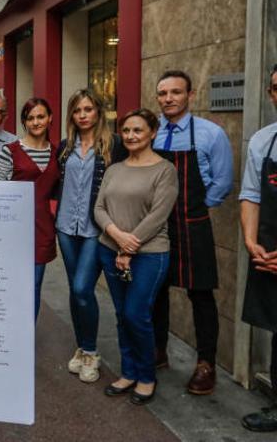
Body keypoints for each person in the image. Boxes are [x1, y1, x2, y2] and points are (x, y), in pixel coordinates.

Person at [151, 70, 233, 395]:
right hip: (157, 224)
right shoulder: (152, 134)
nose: (168, 98)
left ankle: (206, 363)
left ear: (190, 95)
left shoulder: (211, 134)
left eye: (175, 92)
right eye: (163, 93)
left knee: (201, 295)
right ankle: (158, 350)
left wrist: (195, 209)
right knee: (156, 291)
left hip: (193, 225)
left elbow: (223, 182)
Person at [95, 108, 178, 406]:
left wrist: (129, 247)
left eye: (138, 130)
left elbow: (159, 215)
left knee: (136, 314)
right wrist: (117, 237)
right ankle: (128, 371)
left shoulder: (165, 170)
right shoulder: (115, 168)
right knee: (121, 315)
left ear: (153, 133)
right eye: (126, 130)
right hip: (110, 249)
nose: (130, 136)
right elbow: (99, 208)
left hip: (149, 255)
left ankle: (146, 376)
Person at [56, 90, 127, 383]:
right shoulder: (64, 147)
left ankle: (91, 350)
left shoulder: (115, 146)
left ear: (98, 112)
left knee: (84, 289)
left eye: (88, 109)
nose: (83, 115)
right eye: (77, 110)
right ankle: (82, 347)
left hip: (94, 229)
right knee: (75, 290)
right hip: (65, 227)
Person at [0, 98, 60, 319]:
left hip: (42, 230)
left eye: (40, 116)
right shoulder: (9, 151)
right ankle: (6, 337)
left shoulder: (58, 153)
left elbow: (58, 193)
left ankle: (25, 341)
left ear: (50, 118)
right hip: (12, 231)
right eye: (30, 118)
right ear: (24, 122)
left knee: (34, 286)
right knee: (10, 286)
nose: (35, 122)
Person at [239, 66, 277, 433]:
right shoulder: (262, 141)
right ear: (270, 94)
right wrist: (252, 243)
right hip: (269, 254)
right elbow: (251, 194)